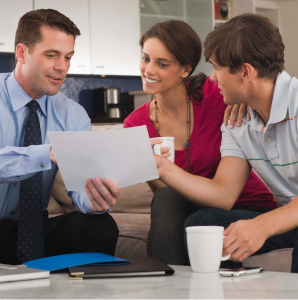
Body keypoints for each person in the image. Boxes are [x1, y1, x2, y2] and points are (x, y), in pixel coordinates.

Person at [154, 13, 298, 273]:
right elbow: (224, 193)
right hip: (291, 221)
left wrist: (262, 226)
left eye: (216, 68)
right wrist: (162, 167)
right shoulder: (237, 120)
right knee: (204, 222)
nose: (211, 78)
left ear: (245, 72)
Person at [123, 20, 278, 266]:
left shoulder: (220, 94)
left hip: (246, 205)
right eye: (145, 59)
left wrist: (244, 101)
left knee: (201, 220)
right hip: (191, 208)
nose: (148, 70)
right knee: (167, 198)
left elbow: (256, 90)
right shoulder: (135, 124)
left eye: (162, 64)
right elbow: (164, 193)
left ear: (185, 69)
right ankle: (168, 284)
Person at [0, 9, 120, 265]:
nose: (62, 67)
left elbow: (78, 188)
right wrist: (47, 153)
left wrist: (94, 199)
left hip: (32, 231)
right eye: (51, 55)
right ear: (22, 53)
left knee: (100, 226)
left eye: (68, 57)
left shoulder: (73, 116)